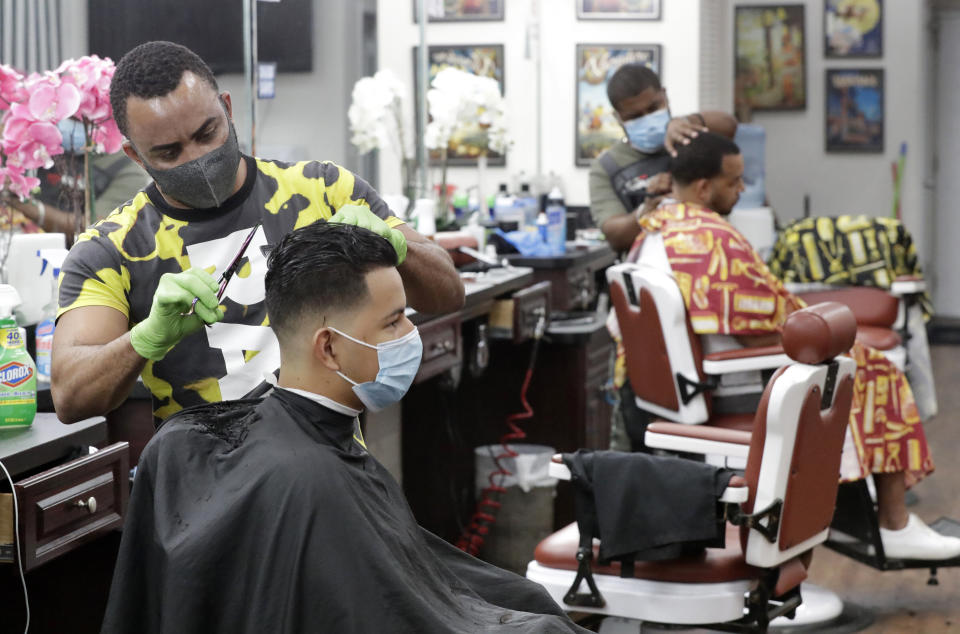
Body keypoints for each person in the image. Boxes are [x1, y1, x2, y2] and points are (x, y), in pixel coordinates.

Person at [100, 221, 588, 633]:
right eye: (394, 322)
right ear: (329, 347)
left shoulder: (207, 439)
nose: (410, 335)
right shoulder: (312, 482)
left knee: (527, 597)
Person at [52, 41, 463, 425]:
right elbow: (70, 397)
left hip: (325, 468)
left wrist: (399, 247)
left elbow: (448, 293)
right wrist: (145, 339)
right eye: (169, 152)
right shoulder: (111, 250)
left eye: (206, 133)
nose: (197, 159)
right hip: (201, 482)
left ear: (228, 109)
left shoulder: (324, 191)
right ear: (135, 155)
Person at [621, 132, 960, 560]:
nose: (742, 189)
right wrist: (821, 341)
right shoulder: (706, 239)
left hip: (691, 383)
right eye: (734, 181)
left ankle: (853, 523)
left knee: (856, 358)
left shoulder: (657, 229)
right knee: (877, 370)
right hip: (736, 382)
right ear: (705, 187)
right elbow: (751, 329)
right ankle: (893, 523)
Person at [588, 63, 738, 254]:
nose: (647, 119)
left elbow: (729, 125)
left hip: (709, 259)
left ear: (664, 95)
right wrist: (648, 208)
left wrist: (687, 122)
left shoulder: (688, 135)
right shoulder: (607, 167)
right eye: (635, 116)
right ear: (617, 117)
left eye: (653, 108)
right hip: (650, 271)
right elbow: (615, 236)